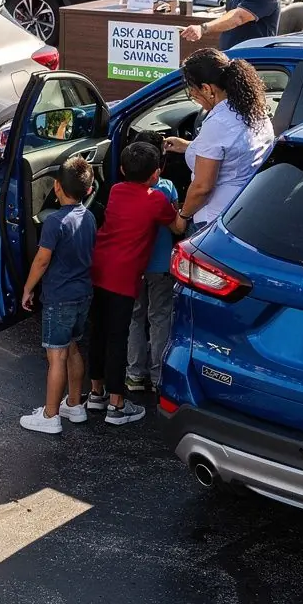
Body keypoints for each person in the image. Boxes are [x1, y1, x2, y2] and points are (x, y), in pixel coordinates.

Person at [88, 142, 186, 426]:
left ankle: (96, 393)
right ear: (156, 174)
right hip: (124, 276)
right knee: (118, 338)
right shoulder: (156, 199)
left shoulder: (117, 190)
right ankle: (117, 405)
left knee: (99, 333)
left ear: (121, 169)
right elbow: (178, 227)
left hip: (99, 267)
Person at [18, 156, 97, 436]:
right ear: (88, 190)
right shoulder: (89, 218)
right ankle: (74, 404)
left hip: (59, 298)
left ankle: (50, 415)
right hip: (83, 295)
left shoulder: (54, 222)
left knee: (56, 356)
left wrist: (28, 288)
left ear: (56, 187)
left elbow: (41, 261)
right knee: (73, 347)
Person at [163, 48, 274, 229]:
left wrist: (182, 217)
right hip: (245, 211)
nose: (192, 95)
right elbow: (234, 150)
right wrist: (188, 146)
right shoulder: (254, 110)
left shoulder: (219, 124)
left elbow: (202, 187)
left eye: (193, 90)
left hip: (213, 219)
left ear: (207, 88)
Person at [125, 132, 178, 394]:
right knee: (160, 318)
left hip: (135, 266)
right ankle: (159, 376)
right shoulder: (166, 188)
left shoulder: (120, 190)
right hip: (161, 267)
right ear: (159, 167)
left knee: (135, 317)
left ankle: (134, 374)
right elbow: (177, 224)